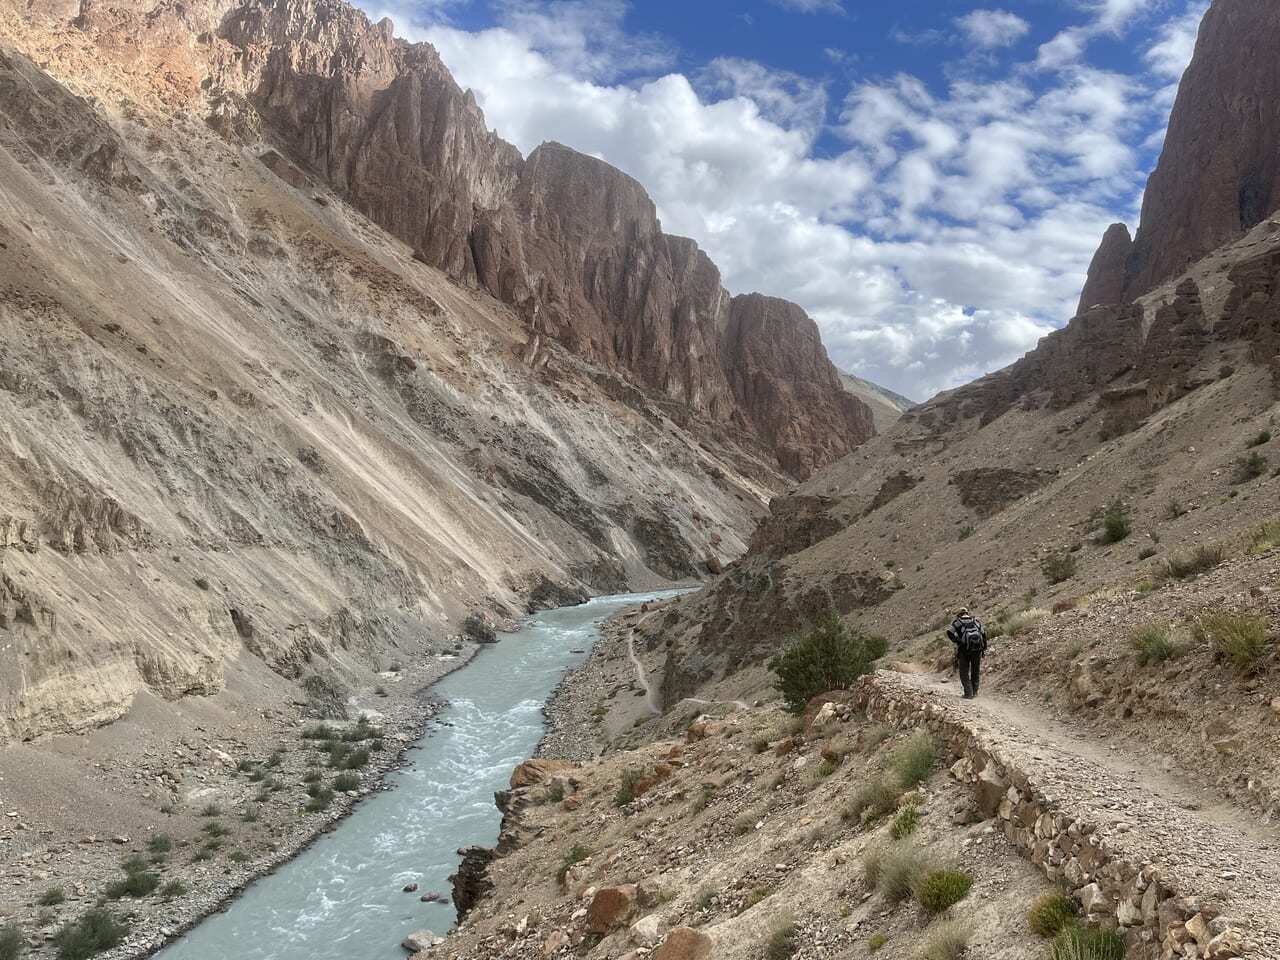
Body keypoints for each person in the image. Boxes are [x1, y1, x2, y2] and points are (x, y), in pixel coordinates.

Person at [946, 607, 987, 699]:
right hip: (977, 650)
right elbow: (983, 635)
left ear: (959, 614)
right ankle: (975, 691)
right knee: (975, 670)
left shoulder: (958, 622)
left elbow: (949, 632)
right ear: (967, 613)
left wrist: (957, 641)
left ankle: (968, 693)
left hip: (964, 650)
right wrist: (983, 648)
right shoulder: (976, 621)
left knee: (964, 672)